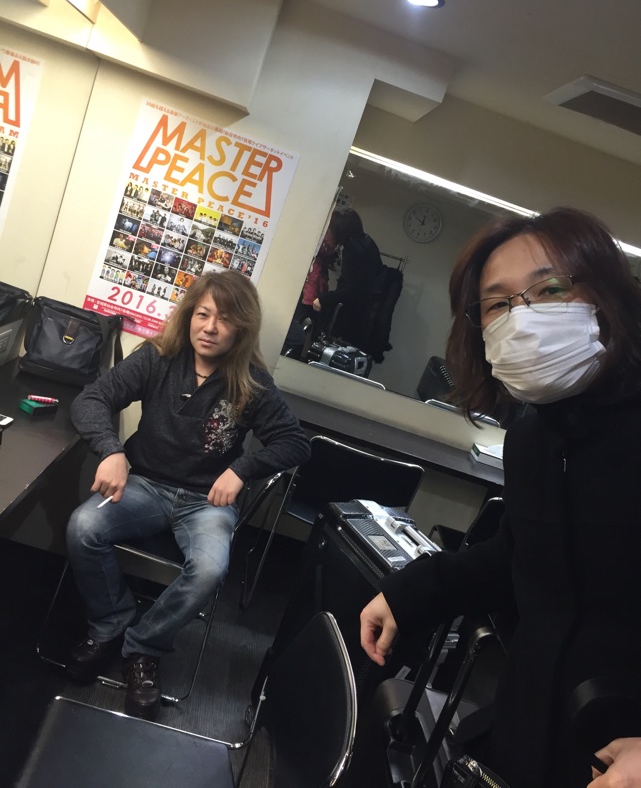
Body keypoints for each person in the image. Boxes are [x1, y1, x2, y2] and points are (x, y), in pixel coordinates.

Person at [359, 208, 641, 787]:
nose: (523, 317)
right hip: (531, 734)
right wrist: (411, 593)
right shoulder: (533, 438)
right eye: (497, 304)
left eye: (550, 289)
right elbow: (517, 557)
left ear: (606, 295)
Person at [65, 270, 311, 720]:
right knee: (83, 527)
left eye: (224, 319)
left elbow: (295, 443)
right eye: (203, 314)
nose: (210, 327)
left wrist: (241, 469)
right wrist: (111, 450)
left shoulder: (250, 381)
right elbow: (91, 400)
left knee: (210, 569)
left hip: (205, 504)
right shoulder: (158, 357)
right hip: (144, 485)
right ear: (189, 315)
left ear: (241, 328)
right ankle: (111, 622)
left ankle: (144, 648)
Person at [313, 207, 383, 347]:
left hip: (350, 316)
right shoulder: (367, 242)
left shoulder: (352, 251)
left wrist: (324, 298)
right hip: (364, 312)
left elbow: (351, 291)